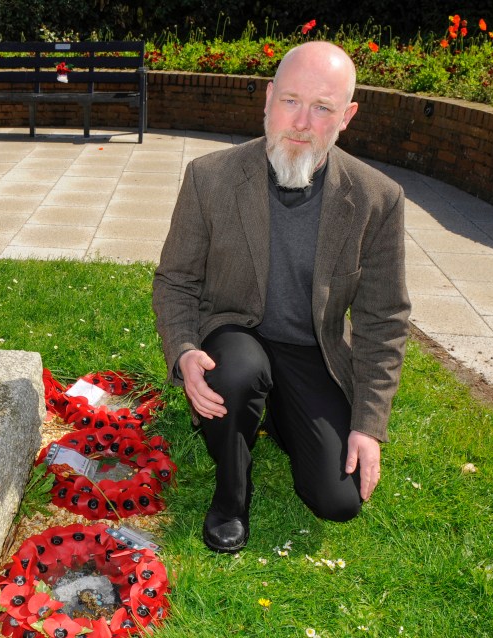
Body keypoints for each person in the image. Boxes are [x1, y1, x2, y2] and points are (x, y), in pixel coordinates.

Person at [152, 41, 411, 553]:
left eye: (322, 108)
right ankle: (231, 495)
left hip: (311, 350)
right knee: (237, 371)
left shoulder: (377, 198)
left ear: (347, 116)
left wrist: (367, 425)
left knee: (338, 502)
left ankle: (278, 414)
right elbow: (175, 281)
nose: (301, 121)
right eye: (291, 100)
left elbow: (385, 318)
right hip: (235, 334)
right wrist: (183, 352)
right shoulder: (211, 177)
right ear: (268, 98)